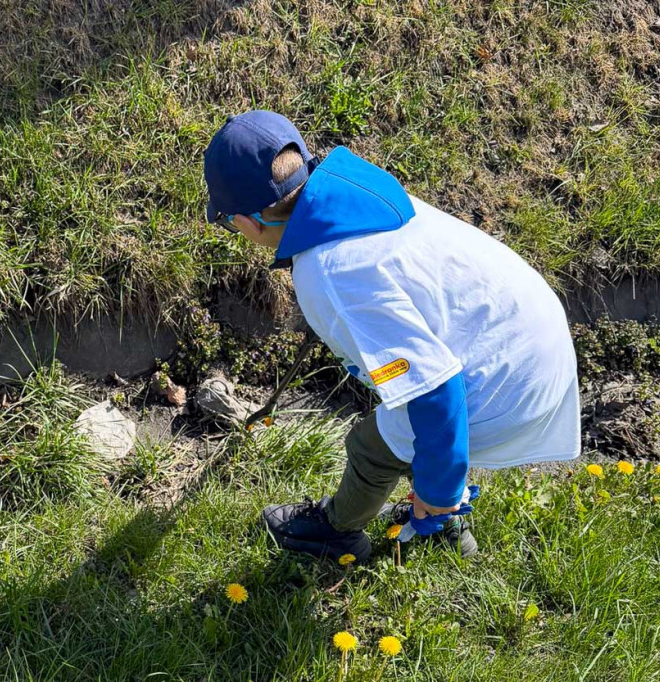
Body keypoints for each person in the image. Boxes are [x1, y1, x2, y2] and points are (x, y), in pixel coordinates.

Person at [203, 111, 580, 562]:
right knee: (414, 425)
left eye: (226, 222)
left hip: (505, 382)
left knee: (372, 446)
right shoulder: (353, 192)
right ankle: (439, 501)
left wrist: (438, 493)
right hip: (532, 333)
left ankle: (345, 531)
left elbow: (436, 389)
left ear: (247, 222)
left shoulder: (331, 273)